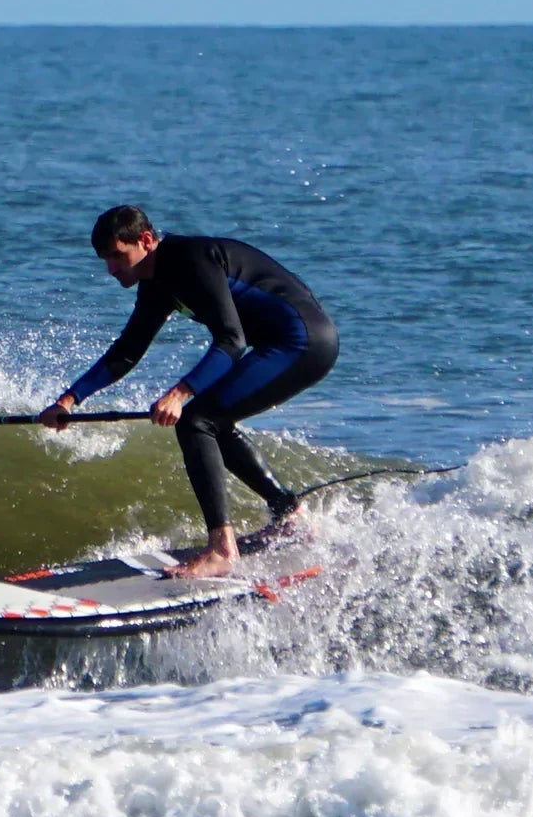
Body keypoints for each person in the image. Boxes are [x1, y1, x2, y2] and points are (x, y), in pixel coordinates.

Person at [39, 205, 339, 578]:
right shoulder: (156, 282)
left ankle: (221, 550)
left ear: (145, 240)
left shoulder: (190, 259)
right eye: (106, 260)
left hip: (303, 342)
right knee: (212, 420)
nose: (112, 269)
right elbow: (127, 352)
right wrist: (68, 400)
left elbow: (231, 341)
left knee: (197, 420)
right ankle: (290, 516)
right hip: (281, 345)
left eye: (117, 256)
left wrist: (180, 394)